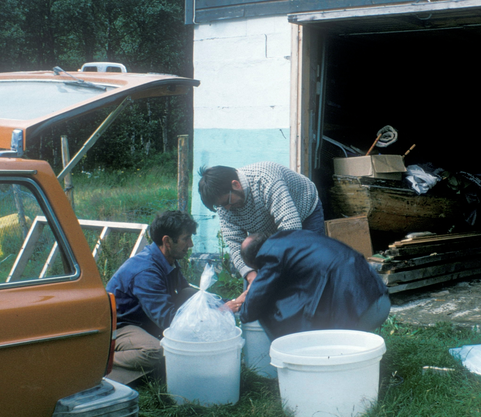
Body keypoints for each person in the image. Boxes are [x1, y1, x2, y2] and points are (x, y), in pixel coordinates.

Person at [197, 162, 324, 304]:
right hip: (267, 227)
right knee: (258, 281)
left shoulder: (265, 179)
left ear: (236, 184)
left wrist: (274, 273)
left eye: (227, 202)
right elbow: (235, 245)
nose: (227, 208)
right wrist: (253, 278)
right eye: (221, 206)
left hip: (303, 212)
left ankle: (313, 307)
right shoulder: (224, 204)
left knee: (308, 266)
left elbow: (290, 229)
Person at [227, 230, 390, 340]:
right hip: (376, 295)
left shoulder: (269, 255)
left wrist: (237, 310)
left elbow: (254, 304)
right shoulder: (291, 239)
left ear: (255, 262)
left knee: (272, 310)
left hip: (360, 308)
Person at [104, 210, 198, 386]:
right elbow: (167, 320)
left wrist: (224, 305)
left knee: (192, 295)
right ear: (167, 241)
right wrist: (200, 329)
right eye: (186, 238)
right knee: (155, 352)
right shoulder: (147, 272)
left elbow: (185, 290)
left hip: (143, 320)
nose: (190, 244)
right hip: (118, 327)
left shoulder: (165, 258)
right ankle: (100, 362)